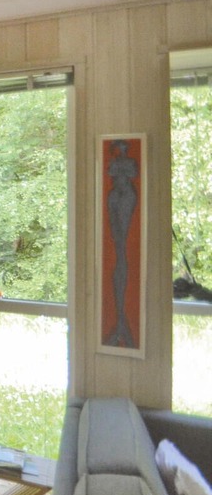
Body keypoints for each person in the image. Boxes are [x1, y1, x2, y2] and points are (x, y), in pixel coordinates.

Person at [105, 139, 138, 348]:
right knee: (116, 240)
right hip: (116, 195)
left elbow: (132, 174)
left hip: (125, 194)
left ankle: (121, 324)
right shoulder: (117, 164)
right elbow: (110, 173)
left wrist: (122, 169)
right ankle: (118, 323)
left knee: (122, 247)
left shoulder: (129, 163)